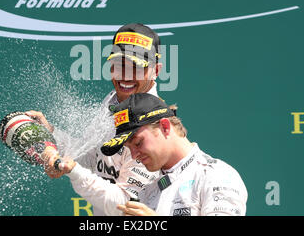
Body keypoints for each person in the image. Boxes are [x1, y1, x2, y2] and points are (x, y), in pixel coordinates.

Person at [27, 23, 163, 216]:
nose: (125, 75)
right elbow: (92, 158)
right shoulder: (113, 100)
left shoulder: (152, 122)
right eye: (119, 65)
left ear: (156, 70)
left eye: (136, 67)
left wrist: (73, 171)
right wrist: (51, 132)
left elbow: (125, 206)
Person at [99, 92, 248, 216]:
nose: (134, 155)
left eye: (138, 143)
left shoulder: (217, 176)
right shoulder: (148, 193)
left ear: (164, 127)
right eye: (128, 148)